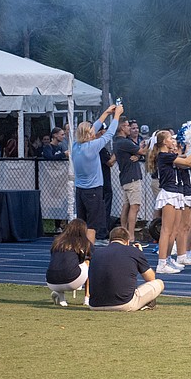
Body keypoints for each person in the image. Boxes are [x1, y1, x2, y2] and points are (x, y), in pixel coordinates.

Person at [148, 130, 191, 274]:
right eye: (170, 138)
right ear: (164, 142)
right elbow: (186, 161)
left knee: (174, 230)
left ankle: (167, 259)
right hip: (169, 193)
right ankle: (161, 263)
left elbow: (186, 159)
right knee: (166, 230)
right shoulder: (163, 156)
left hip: (177, 193)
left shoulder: (170, 156)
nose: (173, 140)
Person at [72, 103, 122, 244]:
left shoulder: (76, 146)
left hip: (80, 190)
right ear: (89, 134)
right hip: (93, 190)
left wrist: (106, 113)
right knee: (92, 226)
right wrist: (116, 115)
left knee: (82, 223)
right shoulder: (92, 147)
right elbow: (110, 133)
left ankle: (80, 250)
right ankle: (89, 253)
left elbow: (92, 128)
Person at [88, 226, 164, 311]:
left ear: (110, 241)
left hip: (94, 305)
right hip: (123, 303)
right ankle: (145, 304)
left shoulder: (97, 252)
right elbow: (150, 278)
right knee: (159, 283)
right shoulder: (134, 251)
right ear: (127, 241)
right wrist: (140, 256)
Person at [45, 218, 92, 307]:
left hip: (50, 282)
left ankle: (61, 298)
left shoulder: (57, 241)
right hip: (72, 282)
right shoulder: (84, 242)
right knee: (88, 263)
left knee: (60, 264)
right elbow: (94, 257)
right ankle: (87, 298)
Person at [113, 116, 146, 242]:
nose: (129, 128)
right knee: (134, 206)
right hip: (132, 178)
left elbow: (137, 152)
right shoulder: (125, 142)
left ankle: (123, 232)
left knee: (126, 206)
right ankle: (130, 236)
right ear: (122, 127)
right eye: (127, 126)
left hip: (126, 177)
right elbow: (143, 152)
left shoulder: (118, 142)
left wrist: (137, 154)